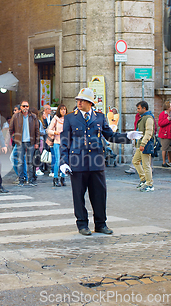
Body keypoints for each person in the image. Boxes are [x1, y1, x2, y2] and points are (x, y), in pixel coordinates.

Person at [60, 88, 141, 235]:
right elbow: (65, 142)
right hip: (77, 162)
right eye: (78, 100)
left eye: (82, 100)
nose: (79, 102)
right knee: (78, 196)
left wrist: (127, 136)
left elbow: (110, 136)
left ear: (90, 103)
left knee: (99, 194)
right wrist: (63, 162)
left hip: (96, 161)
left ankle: (100, 224)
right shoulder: (70, 118)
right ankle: (82, 225)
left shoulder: (99, 117)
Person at [10, 100, 40, 187]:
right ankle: (21, 180)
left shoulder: (33, 117)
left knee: (30, 162)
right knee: (20, 161)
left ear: (29, 106)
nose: (25, 108)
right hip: (20, 141)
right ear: (21, 107)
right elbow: (11, 129)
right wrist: (13, 138)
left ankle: (31, 180)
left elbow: (37, 131)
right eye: (23, 106)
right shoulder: (16, 116)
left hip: (31, 141)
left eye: (27, 106)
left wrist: (37, 142)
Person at [132, 101, 155, 192]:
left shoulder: (148, 118)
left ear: (144, 108)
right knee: (135, 161)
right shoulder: (143, 117)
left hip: (145, 145)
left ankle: (149, 184)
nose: (138, 110)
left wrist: (143, 144)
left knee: (146, 165)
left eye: (139, 108)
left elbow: (149, 132)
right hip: (140, 144)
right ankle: (144, 179)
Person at [47, 104, 67, 187]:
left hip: (65, 142)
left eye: (64, 109)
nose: (63, 111)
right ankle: (55, 178)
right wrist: (55, 132)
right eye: (61, 109)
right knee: (58, 161)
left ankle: (63, 177)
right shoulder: (55, 119)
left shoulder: (67, 119)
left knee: (64, 161)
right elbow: (49, 130)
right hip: (57, 142)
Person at [9, 105, 27, 184]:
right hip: (19, 141)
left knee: (13, 158)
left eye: (15, 110)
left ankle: (21, 176)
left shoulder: (21, 118)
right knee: (22, 159)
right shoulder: (18, 118)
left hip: (21, 141)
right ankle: (23, 176)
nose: (14, 112)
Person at [158, 101, 171, 167]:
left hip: (170, 134)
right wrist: (167, 120)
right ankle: (164, 162)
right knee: (164, 148)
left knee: (170, 149)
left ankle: (170, 161)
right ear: (167, 107)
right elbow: (160, 123)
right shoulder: (162, 114)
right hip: (164, 134)